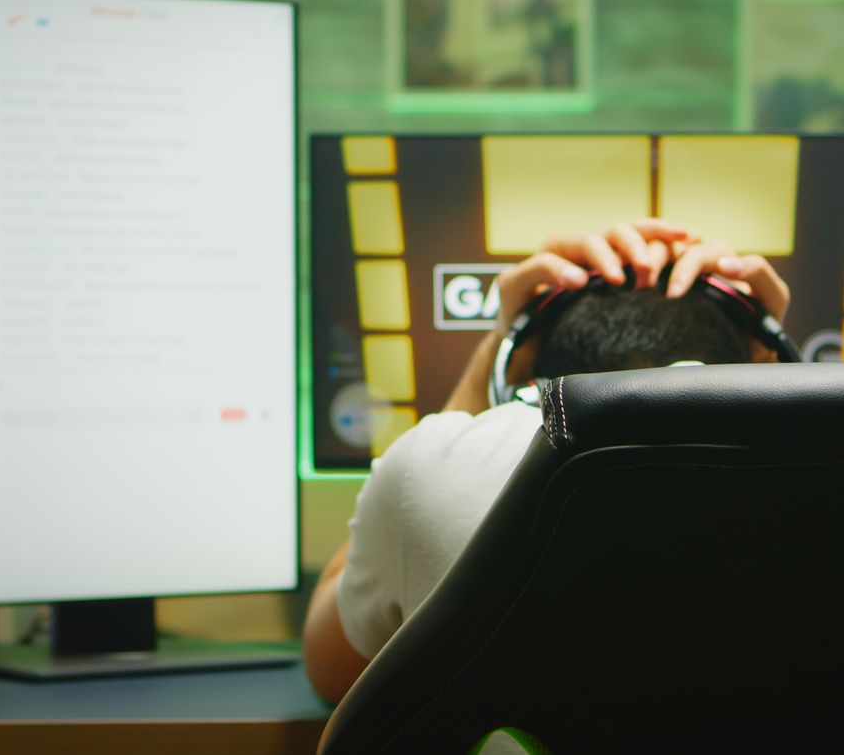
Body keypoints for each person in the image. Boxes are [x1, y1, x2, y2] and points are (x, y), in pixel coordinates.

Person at [302, 219, 793, 705]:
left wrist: (498, 346)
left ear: (522, 370)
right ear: (761, 355)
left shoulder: (430, 466)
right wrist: (770, 355)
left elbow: (332, 670)